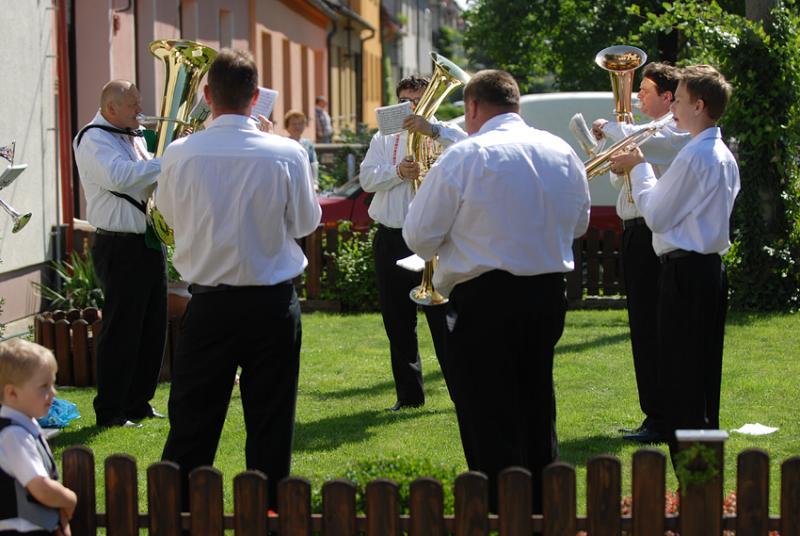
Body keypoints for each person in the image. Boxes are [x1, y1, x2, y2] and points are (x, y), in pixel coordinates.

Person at [403, 69, 590, 511]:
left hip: (484, 297)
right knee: (536, 400)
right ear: (515, 103)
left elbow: (418, 236)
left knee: (486, 410)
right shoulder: (560, 150)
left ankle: (500, 510)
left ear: (472, 106)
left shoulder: (466, 156)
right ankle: (542, 508)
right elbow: (579, 224)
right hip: (545, 294)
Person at [158, 49, 321, 510]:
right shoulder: (287, 152)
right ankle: (267, 513)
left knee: (192, 420)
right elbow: (305, 222)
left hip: (210, 303)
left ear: (207, 95)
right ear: (256, 97)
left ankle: (181, 514)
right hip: (271, 303)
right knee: (271, 420)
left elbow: (168, 215)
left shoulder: (180, 152)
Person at [610, 64, 740, 459]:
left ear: (699, 105)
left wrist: (639, 167)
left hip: (686, 272)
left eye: (679, 101)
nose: (674, 109)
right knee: (701, 377)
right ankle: (701, 477)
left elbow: (656, 215)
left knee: (682, 378)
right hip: (706, 270)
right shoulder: (721, 154)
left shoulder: (695, 155)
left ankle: (695, 477)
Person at [591, 63, 691, 444]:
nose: (638, 98)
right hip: (633, 231)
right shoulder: (644, 134)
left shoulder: (670, 131)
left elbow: (643, 147)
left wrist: (612, 126)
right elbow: (618, 177)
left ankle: (662, 417)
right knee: (641, 324)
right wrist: (616, 157)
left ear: (667, 97)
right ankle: (654, 412)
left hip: (652, 232)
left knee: (652, 325)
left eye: (645, 91)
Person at [360, 75, 467, 411]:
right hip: (391, 238)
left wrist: (431, 130)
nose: (411, 107)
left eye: (417, 100)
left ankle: (462, 395)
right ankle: (408, 397)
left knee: (443, 321)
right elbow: (366, 178)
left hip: (433, 241)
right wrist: (397, 171)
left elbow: (468, 147)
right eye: (405, 101)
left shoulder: (445, 131)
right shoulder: (383, 136)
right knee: (397, 322)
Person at [73, 79, 166, 428]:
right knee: (122, 330)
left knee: (152, 328)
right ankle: (110, 410)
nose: (140, 109)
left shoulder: (132, 134)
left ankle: (138, 403)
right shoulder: (93, 138)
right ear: (111, 108)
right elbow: (120, 177)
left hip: (147, 241)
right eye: (133, 104)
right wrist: (168, 160)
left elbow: (147, 180)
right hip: (119, 244)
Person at [0, 339, 77, 535]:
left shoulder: (24, 427)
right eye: (44, 386)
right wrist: (69, 499)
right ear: (12, 393)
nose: (53, 392)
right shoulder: (14, 436)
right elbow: (41, 488)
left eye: (52, 384)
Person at [284, 109, 319, 190]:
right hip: (288, 183)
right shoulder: (283, 143)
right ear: (287, 126)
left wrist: (315, 182)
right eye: (294, 124)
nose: (297, 127)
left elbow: (313, 163)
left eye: (300, 124)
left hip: (305, 183)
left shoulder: (308, 144)